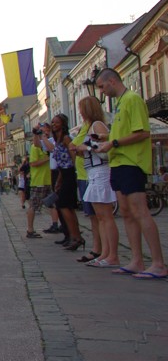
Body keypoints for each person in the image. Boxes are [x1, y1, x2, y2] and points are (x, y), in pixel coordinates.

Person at [95, 68, 167, 278]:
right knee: (126, 212)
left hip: (131, 162)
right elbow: (123, 132)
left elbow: (142, 132)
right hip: (118, 162)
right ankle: (136, 260)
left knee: (140, 211)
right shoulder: (119, 104)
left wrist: (113, 142)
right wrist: (107, 140)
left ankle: (158, 263)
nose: (101, 91)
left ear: (112, 81)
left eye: (101, 86)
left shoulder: (133, 100)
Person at [72, 95, 119, 268]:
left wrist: (86, 147)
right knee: (101, 217)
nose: (80, 112)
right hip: (92, 171)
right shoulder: (88, 126)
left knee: (105, 217)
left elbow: (105, 148)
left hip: (100, 170)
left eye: (82, 109)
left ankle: (111, 254)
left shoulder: (97, 125)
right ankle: (105, 253)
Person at [50, 113, 84, 251]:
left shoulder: (66, 138)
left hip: (69, 173)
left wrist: (75, 172)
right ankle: (74, 237)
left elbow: (73, 155)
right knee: (66, 206)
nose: (53, 125)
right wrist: (59, 180)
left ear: (63, 124)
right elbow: (60, 163)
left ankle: (76, 236)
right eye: (52, 122)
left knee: (64, 205)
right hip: (63, 174)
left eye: (56, 122)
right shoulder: (57, 140)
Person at [25, 127, 50, 239]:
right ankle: (30, 229)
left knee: (54, 204)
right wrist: (47, 159)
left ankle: (56, 225)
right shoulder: (35, 147)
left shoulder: (46, 146)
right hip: (39, 181)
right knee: (33, 205)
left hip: (48, 180)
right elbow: (33, 163)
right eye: (43, 133)